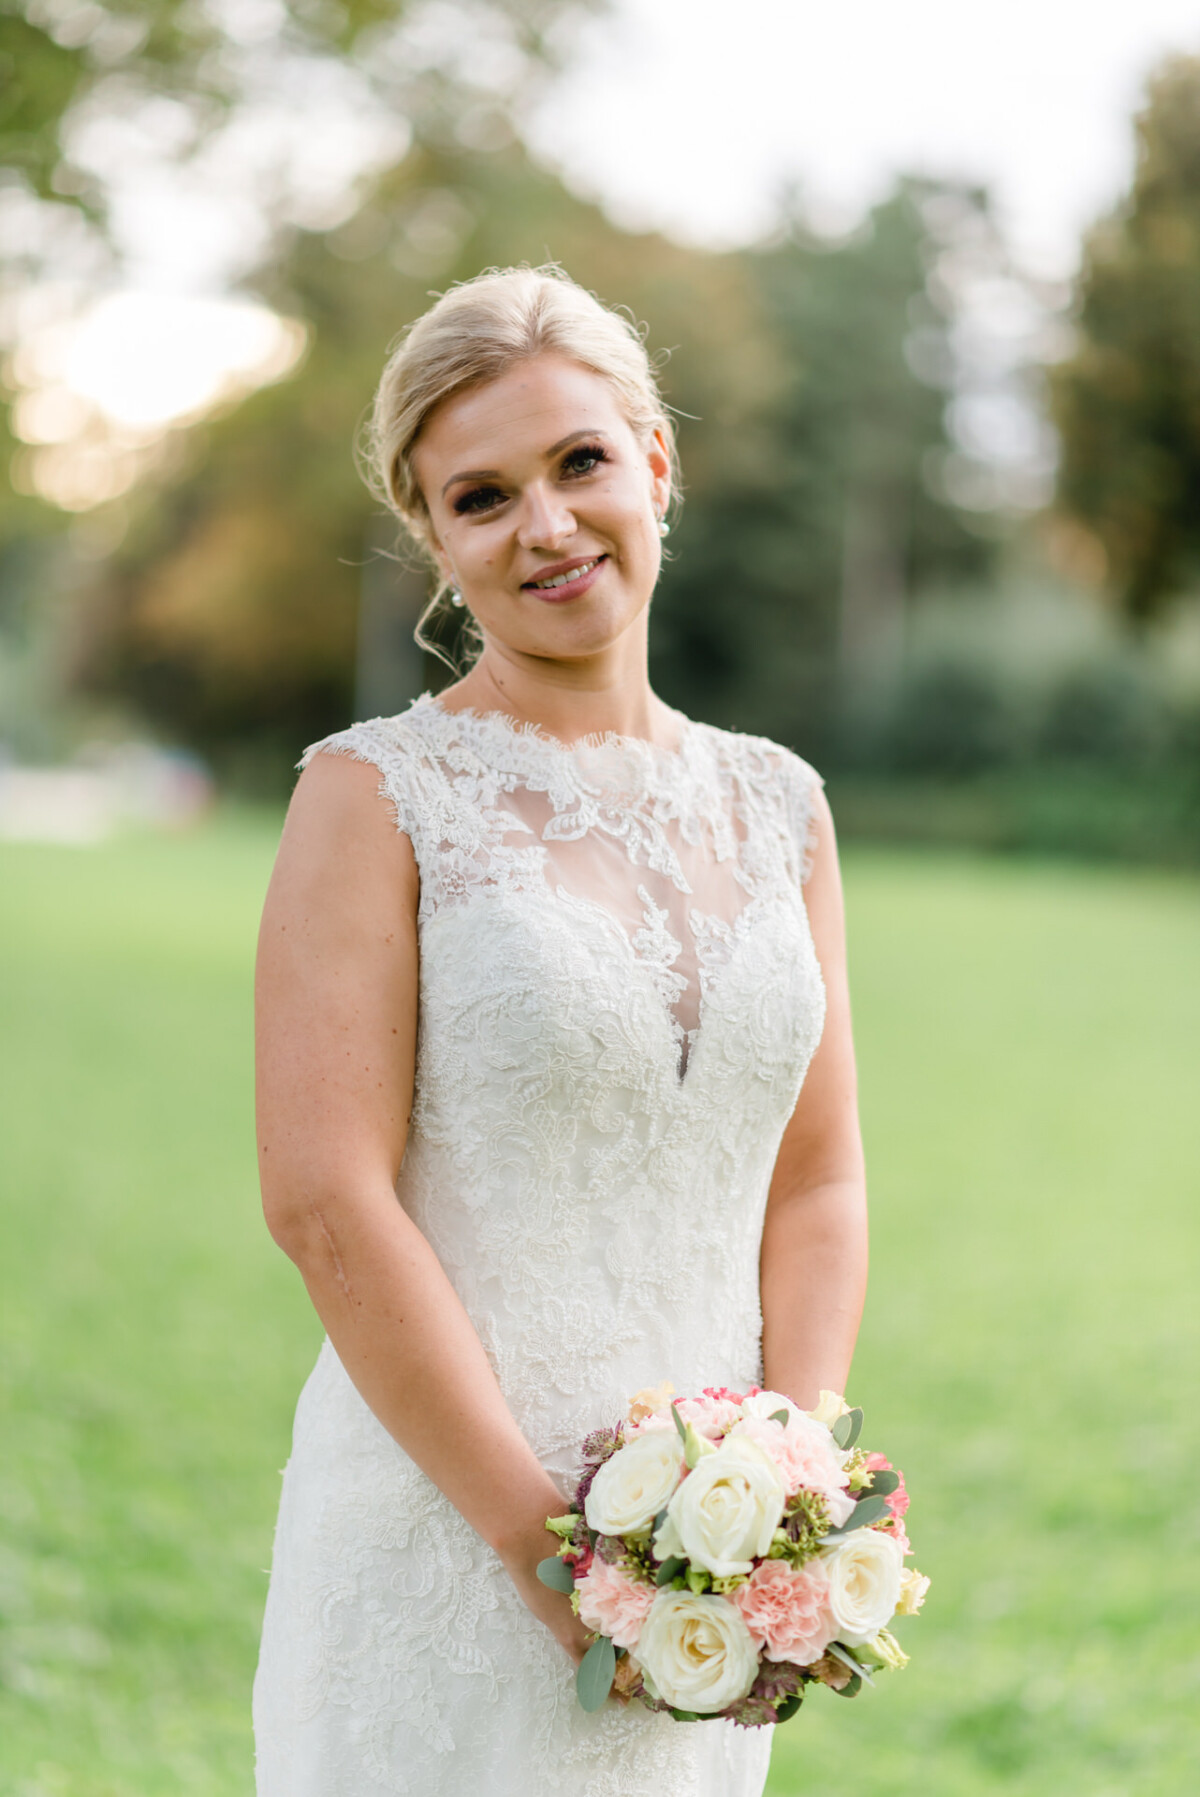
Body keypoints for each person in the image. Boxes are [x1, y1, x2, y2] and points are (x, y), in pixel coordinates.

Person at [251, 264, 868, 1796]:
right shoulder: (373, 794)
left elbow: (817, 1179)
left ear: (658, 463)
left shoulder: (783, 801)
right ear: (437, 543)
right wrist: (549, 1553)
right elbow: (327, 1203)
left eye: (580, 461)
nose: (546, 524)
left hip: (705, 1576)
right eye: (482, 495)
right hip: (446, 1547)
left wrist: (783, 1486)